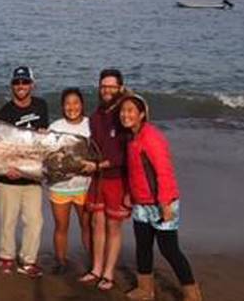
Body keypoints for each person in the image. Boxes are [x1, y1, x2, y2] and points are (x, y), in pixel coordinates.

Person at [119, 94, 202, 301]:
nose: (125, 115)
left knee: (170, 250)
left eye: (130, 111)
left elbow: (164, 172)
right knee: (143, 247)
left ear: (142, 114)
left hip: (162, 202)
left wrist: (165, 204)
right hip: (141, 203)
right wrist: (130, 194)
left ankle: (192, 294)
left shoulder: (151, 137)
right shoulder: (132, 137)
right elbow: (135, 172)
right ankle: (145, 289)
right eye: (123, 110)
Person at [0, 66, 49, 278]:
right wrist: (6, 169)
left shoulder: (41, 105)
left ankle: (28, 260)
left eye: (25, 82)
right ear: (11, 86)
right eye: (17, 83)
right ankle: (6, 256)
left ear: (32, 85)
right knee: (8, 220)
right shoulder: (4, 112)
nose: (21, 86)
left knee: (35, 221)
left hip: (32, 177)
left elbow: (40, 142)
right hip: (8, 176)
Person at [79, 68, 131, 291]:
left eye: (111, 86)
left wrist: (99, 165)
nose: (107, 90)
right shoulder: (96, 115)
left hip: (117, 178)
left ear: (120, 87)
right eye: (103, 86)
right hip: (97, 178)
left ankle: (109, 273)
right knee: (95, 223)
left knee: (113, 227)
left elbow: (123, 154)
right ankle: (96, 268)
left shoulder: (125, 113)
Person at [47, 87, 92, 274]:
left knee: (87, 226)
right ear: (62, 106)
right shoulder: (55, 127)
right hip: (60, 187)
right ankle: (60, 261)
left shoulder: (91, 125)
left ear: (82, 105)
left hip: (85, 187)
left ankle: (94, 262)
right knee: (61, 226)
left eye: (75, 103)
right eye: (67, 103)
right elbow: (47, 156)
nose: (71, 107)